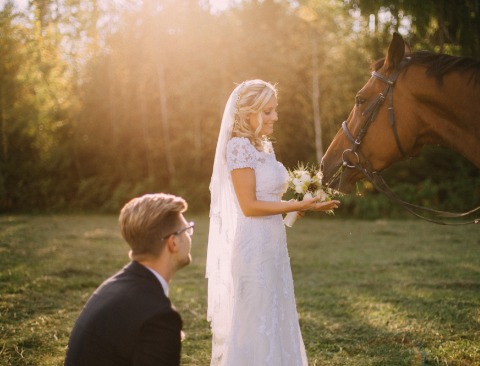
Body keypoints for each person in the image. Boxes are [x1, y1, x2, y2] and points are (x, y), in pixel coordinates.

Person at [207, 80, 340, 366]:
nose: (275, 118)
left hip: (274, 245)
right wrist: (295, 204)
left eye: (275, 110)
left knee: (278, 313)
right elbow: (249, 206)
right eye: (267, 112)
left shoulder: (264, 147)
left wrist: (304, 207)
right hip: (253, 249)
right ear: (247, 113)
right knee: (256, 319)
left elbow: (270, 203)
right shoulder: (238, 147)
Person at [64, 193, 193, 366]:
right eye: (187, 230)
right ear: (173, 242)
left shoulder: (112, 286)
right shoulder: (159, 317)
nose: (190, 236)